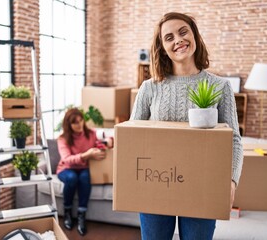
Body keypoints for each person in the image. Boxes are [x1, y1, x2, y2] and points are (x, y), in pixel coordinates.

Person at [130, 12, 243, 240]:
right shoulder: (149, 88)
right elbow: (133, 138)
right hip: (156, 185)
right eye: (169, 37)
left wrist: (231, 181)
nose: (178, 40)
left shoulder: (220, 87)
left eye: (183, 32)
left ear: (195, 36)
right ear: (162, 47)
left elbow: (234, 140)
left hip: (203, 185)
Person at [56, 107, 107, 236]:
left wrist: (105, 144)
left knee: (84, 178)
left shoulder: (91, 133)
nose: (79, 125)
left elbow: (108, 140)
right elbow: (67, 160)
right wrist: (86, 155)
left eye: (81, 121)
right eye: (75, 122)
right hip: (66, 169)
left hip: (83, 168)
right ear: (69, 125)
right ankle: (67, 212)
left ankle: (81, 216)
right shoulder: (62, 139)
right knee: (72, 178)